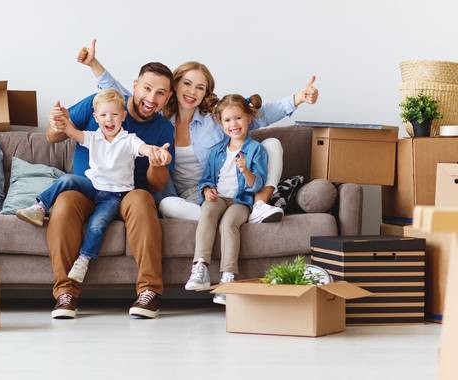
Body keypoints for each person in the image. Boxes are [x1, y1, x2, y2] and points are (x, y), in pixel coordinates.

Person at [77, 39, 319, 222]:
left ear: (206, 93)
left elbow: (258, 115)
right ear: (174, 86)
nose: (192, 92)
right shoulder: (159, 117)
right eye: (187, 84)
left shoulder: (215, 119)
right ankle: (223, 219)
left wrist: (298, 98)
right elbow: (121, 94)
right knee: (166, 205)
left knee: (272, 144)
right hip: (184, 198)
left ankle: (259, 205)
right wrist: (94, 65)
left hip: (219, 189)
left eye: (200, 88)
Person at [45, 62, 176, 319]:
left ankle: (149, 292)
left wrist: (155, 162)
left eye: (160, 93)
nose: (151, 98)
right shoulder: (101, 104)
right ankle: (65, 293)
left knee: (142, 199)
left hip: (127, 193)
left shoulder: (162, 129)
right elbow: (53, 135)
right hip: (88, 191)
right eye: (147, 89)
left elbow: (157, 183)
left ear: (168, 97)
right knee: (64, 202)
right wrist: (57, 122)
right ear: (135, 86)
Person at [16, 89, 171, 285]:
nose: (109, 119)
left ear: (123, 116)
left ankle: (84, 259)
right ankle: (39, 207)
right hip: (92, 187)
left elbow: (144, 148)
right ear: (96, 118)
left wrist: (156, 152)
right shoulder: (93, 137)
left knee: (97, 225)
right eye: (104, 115)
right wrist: (62, 120)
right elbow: (70, 131)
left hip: (114, 195)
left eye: (115, 114)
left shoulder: (129, 140)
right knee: (67, 180)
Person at [186, 94, 268, 305]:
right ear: (220, 123)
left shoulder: (256, 149)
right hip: (219, 197)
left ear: (249, 118)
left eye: (238, 118)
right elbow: (206, 179)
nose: (233, 124)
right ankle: (200, 267)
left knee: (228, 224)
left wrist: (246, 170)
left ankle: (228, 279)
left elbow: (257, 185)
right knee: (207, 212)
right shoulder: (217, 151)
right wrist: (206, 190)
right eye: (228, 120)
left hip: (241, 201)